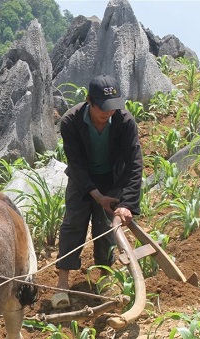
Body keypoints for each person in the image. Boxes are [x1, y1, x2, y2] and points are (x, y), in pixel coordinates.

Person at [52, 74, 144, 309]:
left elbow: (134, 163)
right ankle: (62, 285)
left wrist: (127, 203)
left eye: (113, 108)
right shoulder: (71, 122)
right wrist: (96, 196)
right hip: (82, 179)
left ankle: (105, 279)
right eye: (103, 108)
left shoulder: (124, 122)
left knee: (106, 230)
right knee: (73, 223)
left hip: (112, 178)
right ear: (89, 101)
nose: (108, 113)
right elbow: (77, 165)